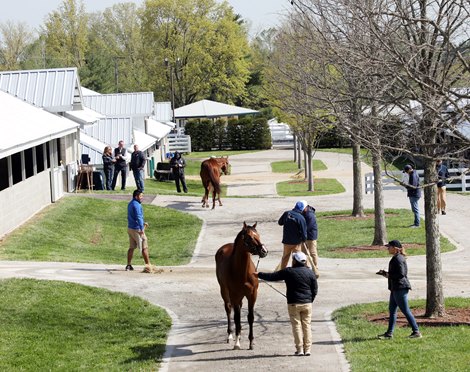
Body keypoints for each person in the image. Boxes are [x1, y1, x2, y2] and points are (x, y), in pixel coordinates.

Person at [256, 251, 318, 356]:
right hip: (307, 304)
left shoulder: (288, 271)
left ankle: (299, 350)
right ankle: (307, 349)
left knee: (297, 326)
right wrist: (310, 300)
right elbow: (315, 289)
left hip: (293, 304)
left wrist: (258, 274)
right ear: (304, 261)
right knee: (306, 326)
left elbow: (272, 276)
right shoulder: (310, 272)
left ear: (294, 261)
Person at [376, 240, 422, 339]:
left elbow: (401, 274)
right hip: (395, 288)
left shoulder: (398, 259)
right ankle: (389, 334)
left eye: (389, 247)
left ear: (395, 248)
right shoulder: (396, 257)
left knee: (405, 310)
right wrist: (386, 274)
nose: (388, 248)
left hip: (400, 288)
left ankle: (416, 331)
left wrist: (388, 275)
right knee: (392, 310)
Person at [277, 200, 307, 269]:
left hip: (286, 241)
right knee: (297, 258)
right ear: (302, 209)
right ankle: (296, 272)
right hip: (296, 243)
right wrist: (304, 240)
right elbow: (304, 232)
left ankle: (282, 273)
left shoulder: (286, 213)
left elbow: (280, 223)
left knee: (285, 258)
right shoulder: (301, 218)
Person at [126, 189, 151, 271]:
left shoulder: (130, 204)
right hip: (137, 229)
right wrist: (141, 228)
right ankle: (148, 266)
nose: (142, 198)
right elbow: (138, 217)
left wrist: (142, 223)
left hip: (130, 228)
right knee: (144, 246)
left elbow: (134, 217)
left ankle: (128, 265)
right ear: (136, 196)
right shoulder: (137, 205)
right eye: (140, 196)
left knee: (131, 247)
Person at [302, 203, 320, 277]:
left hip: (311, 236)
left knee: (312, 252)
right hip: (304, 236)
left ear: (306, 207)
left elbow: (308, 227)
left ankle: (315, 267)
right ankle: (306, 267)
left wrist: (302, 233)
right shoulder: (304, 212)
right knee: (304, 252)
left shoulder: (310, 215)